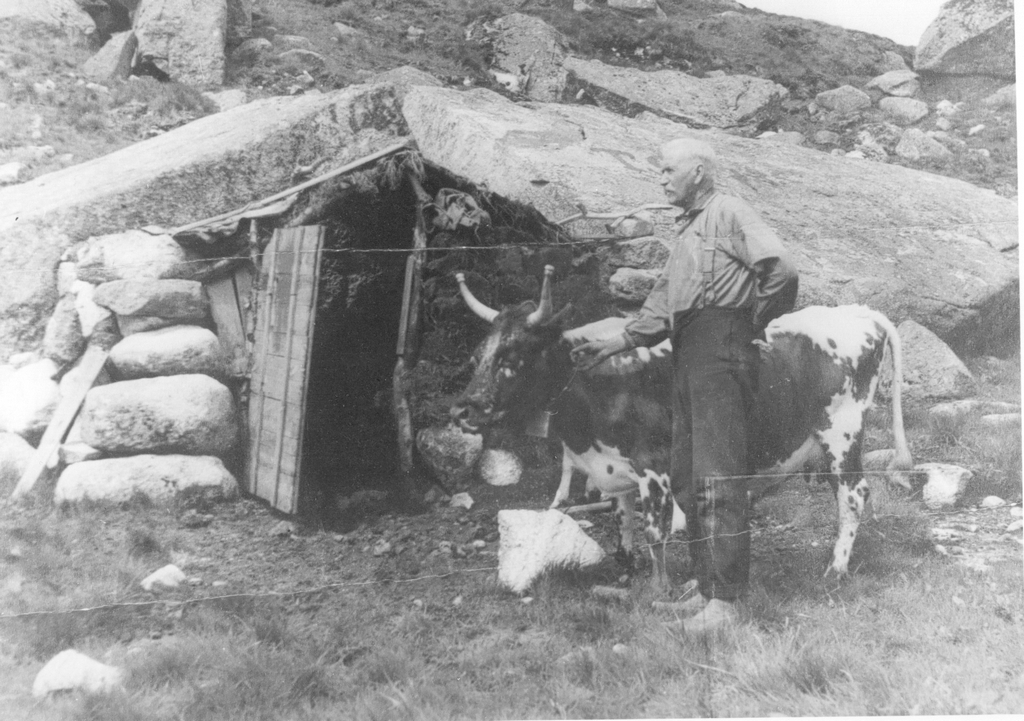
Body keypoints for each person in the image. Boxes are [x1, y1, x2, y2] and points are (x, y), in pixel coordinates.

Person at [572, 138, 798, 634]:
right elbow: (659, 310)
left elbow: (781, 272)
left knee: (717, 474)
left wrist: (745, 325)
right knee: (685, 473)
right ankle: (705, 585)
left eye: (668, 169)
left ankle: (726, 605)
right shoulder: (689, 233)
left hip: (722, 351)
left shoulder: (731, 211)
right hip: (688, 353)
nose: (661, 179)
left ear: (698, 171)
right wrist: (612, 345)